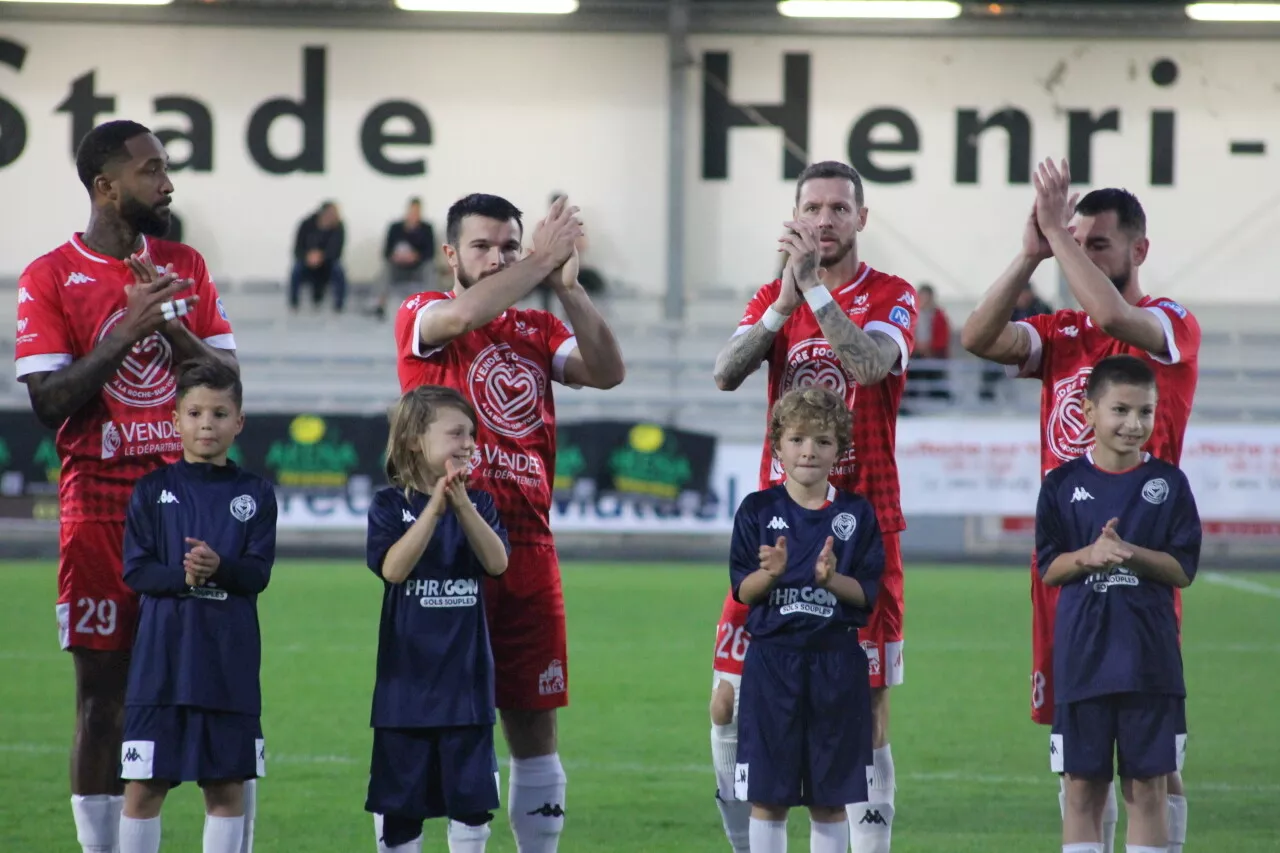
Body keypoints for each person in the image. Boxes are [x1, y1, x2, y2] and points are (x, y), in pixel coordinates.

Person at [960, 158, 1199, 853]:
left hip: (1143, 563)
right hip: (1066, 572)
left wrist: (1057, 236)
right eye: (1079, 240)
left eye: (1098, 243)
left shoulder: (1168, 321)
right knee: (1079, 765)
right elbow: (977, 336)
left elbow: (1113, 314)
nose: (1083, 254)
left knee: (1155, 766)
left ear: (1138, 250)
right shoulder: (1060, 331)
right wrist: (1030, 251)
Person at [13, 119, 239, 853]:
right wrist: (125, 329)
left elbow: (227, 384)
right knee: (102, 703)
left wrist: (168, 324)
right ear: (106, 186)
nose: (167, 182)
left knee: (209, 695)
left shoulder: (186, 265)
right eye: (150, 170)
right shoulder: (50, 275)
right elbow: (49, 401)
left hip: (191, 506)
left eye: (166, 167)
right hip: (101, 510)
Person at [392, 193, 625, 852]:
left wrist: (569, 289)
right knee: (436, 726)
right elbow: (467, 310)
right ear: (450, 255)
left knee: (534, 725)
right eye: (482, 246)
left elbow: (608, 371)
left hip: (526, 549)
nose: (496, 258)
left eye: (508, 247)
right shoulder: (423, 314)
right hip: (444, 548)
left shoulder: (536, 328)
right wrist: (539, 259)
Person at [711, 160, 917, 853]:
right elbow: (726, 371)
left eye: (838, 208)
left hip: (865, 529)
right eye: (812, 208)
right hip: (780, 528)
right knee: (727, 697)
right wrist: (782, 300)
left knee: (867, 707)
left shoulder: (893, 294)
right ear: (795, 219)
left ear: (862, 219)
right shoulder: (775, 296)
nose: (824, 220)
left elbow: (867, 366)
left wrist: (817, 295)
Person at [1036, 354, 1199, 853]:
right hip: (1083, 659)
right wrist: (1089, 555)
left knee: (1147, 789)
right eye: (1121, 410)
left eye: (1145, 412)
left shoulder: (1170, 484)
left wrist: (1130, 553)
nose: (1134, 424)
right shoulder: (1061, 484)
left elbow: (1182, 569)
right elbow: (1049, 566)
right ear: (1088, 412)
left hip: (1149, 661)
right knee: (1081, 788)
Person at [118, 359, 276, 853]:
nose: (207, 423)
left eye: (220, 413)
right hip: (160, 666)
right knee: (144, 787)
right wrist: (185, 576)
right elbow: (136, 570)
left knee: (225, 787)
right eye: (195, 413)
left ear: (239, 421)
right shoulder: (151, 490)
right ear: (175, 420)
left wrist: (219, 566)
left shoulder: (254, 493)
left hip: (227, 663)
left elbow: (257, 575)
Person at [730, 386, 885, 853]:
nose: (808, 451)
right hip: (772, 663)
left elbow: (866, 597)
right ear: (777, 445)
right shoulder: (758, 509)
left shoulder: (856, 513)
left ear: (840, 447)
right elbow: (742, 590)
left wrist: (832, 579)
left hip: (835, 663)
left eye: (821, 441)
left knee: (830, 799)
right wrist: (769, 574)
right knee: (768, 798)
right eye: (797, 439)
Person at [365, 385, 510, 853]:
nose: (468, 443)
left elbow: (497, 562)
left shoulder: (481, 506)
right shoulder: (389, 506)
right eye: (455, 433)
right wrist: (434, 507)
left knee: (471, 809)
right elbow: (394, 568)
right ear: (414, 440)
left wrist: (462, 503)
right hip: (403, 690)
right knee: (401, 810)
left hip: (465, 689)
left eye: (471, 434)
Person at [374, 197, 436, 321]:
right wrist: (395, 256)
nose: (414, 215)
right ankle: (380, 305)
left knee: (430, 269)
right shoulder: (395, 228)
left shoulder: (426, 229)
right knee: (385, 269)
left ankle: (432, 305)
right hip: (398, 266)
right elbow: (386, 252)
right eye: (412, 212)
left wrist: (416, 256)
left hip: (418, 267)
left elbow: (430, 252)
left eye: (416, 212)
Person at [289, 201, 347, 313]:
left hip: (328, 262)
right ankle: (294, 303)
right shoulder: (306, 224)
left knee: (338, 270)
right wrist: (308, 256)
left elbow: (337, 250)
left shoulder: (339, 227)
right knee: (296, 269)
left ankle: (339, 306)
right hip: (307, 260)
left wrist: (321, 256)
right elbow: (297, 249)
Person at [904, 283, 951, 404]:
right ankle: (909, 401)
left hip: (933, 353)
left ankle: (938, 399)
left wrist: (931, 348)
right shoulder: (910, 314)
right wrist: (916, 347)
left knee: (934, 372)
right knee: (909, 372)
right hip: (914, 353)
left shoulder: (939, 315)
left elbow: (943, 336)